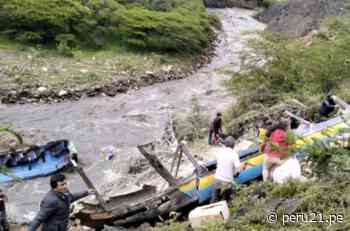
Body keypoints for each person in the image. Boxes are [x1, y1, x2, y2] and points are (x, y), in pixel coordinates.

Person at [28, 174, 94, 231]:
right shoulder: (51, 200)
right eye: (62, 185)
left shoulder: (64, 191)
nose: (65, 186)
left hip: (62, 225)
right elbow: (39, 218)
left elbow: (71, 197)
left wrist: (86, 192)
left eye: (65, 183)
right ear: (55, 187)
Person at [210, 136, 242, 203]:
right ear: (234, 145)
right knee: (227, 201)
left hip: (216, 180)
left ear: (225, 144)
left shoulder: (220, 152)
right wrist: (236, 175)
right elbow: (238, 169)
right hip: (226, 182)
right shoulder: (234, 154)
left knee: (214, 201)